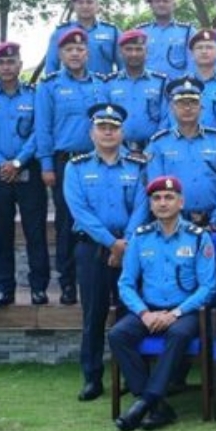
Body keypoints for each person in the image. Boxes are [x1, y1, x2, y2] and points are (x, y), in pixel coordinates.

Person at [108, 176, 216, 431]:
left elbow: (208, 287)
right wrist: (144, 313)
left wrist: (175, 313)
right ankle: (156, 405)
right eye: (156, 198)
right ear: (150, 204)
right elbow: (126, 284)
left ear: (181, 202)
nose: (163, 203)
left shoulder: (198, 237)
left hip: (185, 311)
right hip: (148, 308)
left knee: (177, 335)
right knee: (117, 335)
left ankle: (145, 402)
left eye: (169, 197)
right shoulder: (140, 237)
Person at [63, 104, 148, 401]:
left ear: (122, 133)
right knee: (94, 315)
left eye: (114, 127)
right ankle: (92, 377)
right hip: (92, 248)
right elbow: (80, 212)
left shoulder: (138, 166)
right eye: (102, 127)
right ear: (92, 133)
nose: (108, 132)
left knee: (130, 312)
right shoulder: (76, 167)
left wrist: (125, 244)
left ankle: (132, 375)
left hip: (131, 247)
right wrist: (112, 244)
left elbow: (142, 207)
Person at [0, 42, 50, 307]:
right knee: (1, 234)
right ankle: (4, 289)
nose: (6, 67)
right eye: (1, 63)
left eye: (11, 62)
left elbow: (40, 131)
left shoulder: (35, 94)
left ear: (20, 64)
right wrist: (2, 163)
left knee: (35, 233)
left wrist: (18, 162)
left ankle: (39, 288)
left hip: (29, 171)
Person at [34, 28, 108, 305]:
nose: (75, 54)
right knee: (66, 224)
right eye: (69, 50)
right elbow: (43, 127)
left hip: (98, 161)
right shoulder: (49, 85)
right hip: (65, 163)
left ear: (87, 53)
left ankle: (101, 280)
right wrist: (46, 164)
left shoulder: (101, 84)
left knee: (99, 219)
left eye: (79, 49)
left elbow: (110, 126)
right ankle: (67, 283)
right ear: (60, 54)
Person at [145, 77, 216, 229]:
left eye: (193, 102)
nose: (188, 108)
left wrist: (215, 221)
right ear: (172, 107)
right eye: (181, 103)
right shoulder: (158, 144)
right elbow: (156, 190)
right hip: (173, 225)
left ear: (201, 107)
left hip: (215, 224)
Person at [104, 29, 167, 153]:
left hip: (154, 151)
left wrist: (152, 149)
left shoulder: (161, 82)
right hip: (117, 152)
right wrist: (122, 152)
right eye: (128, 49)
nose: (134, 54)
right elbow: (105, 120)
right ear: (120, 52)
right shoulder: (109, 83)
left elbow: (166, 119)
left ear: (146, 52)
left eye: (139, 49)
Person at [43, 0, 121, 75]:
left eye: (89, 2)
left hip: (103, 83)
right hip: (69, 84)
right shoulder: (60, 32)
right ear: (74, 6)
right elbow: (51, 69)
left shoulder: (112, 32)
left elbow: (123, 66)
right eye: (80, 2)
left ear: (97, 5)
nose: (85, 6)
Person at [177, 28, 216, 132]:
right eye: (199, 48)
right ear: (192, 54)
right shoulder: (179, 85)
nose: (204, 51)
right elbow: (174, 119)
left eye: (209, 47)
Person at [135, 0, 193, 80]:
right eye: (157, 1)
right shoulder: (140, 31)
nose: (161, 4)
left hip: (176, 86)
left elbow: (193, 64)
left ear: (174, 5)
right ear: (151, 6)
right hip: (147, 85)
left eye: (165, 1)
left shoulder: (187, 31)